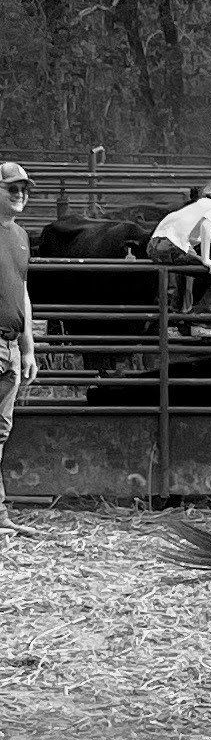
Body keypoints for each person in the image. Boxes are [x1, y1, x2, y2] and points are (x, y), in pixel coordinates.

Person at [146, 180, 211, 339]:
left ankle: (182, 324)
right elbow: (206, 226)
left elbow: (186, 244)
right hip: (168, 246)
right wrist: (206, 259)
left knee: (203, 274)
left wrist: (198, 259)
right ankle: (199, 324)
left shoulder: (195, 207)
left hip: (156, 246)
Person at [0, 161, 39, 537]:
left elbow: (22, 293)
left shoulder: (21, 236)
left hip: (10, 346)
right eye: (12, 188)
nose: (21, 194)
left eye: (25, 189)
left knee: (0, 431)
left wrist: (28, 347)